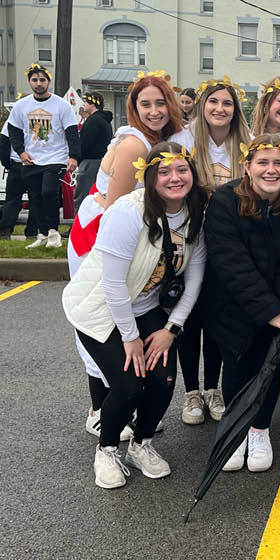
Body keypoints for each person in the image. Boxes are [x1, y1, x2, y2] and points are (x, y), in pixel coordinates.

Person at [61, 141, 207, 488]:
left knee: (164, 378)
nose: (175, 178)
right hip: (100, 310)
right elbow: (112, 285)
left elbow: (195, 277)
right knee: (129, 384)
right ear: (150, 177)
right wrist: (131, 339)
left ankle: (141, 445)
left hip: (144, 308)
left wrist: (172, 328)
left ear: (192, 174)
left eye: (182, 169)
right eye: (164, 171)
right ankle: (108, 449)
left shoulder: (195, 212)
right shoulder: (129, 212)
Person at [68, 71, 183, 438]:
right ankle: (99, 408)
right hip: (99, 235)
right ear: (133, 108)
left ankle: (124, 405)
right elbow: (117, 208)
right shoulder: (135, 144)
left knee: (123, 314)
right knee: (103, 319)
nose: (153, 111)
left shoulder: (161, 140)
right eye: (144, 104)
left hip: (128, 234)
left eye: (160, 103)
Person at [203, 134, 280, 473]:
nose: (271, 170)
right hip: (232, 303)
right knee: (238, 365)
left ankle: (259, 429)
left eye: (279, 163)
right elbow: (231, 263)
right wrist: (270, 311)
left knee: (270, 362)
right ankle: (234, 432)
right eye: (263, 162)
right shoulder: (225, 201)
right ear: (248, 166)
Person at [169, 76, 251, 425]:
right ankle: (191, 393)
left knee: (218, 318)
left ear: (236, 109)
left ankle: (213, 388)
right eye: (213, 102)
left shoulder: (246, 143)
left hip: (227, 243)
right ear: (202, 105)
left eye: (227, 103)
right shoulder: (183, 140)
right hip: (188, 239)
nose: (220, 109)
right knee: (190, 318)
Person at [7, 63, 80, 249]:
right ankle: (42, 233)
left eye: (42, 80)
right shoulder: (21, 106)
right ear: (30, 82)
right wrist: (21, 152)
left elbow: (72, 132)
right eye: (34, 80)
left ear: (48, 81)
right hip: (32, 158)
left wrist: (73, 156)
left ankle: (53, 231)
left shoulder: (61, 105)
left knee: (49, 192)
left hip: (56, 157)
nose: (38, 84)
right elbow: (13, 131)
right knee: (35, 196)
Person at [75, 92, 113, 213]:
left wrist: (77, 158)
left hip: (89, 163)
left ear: (93, 104)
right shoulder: (104, 121)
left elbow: (85, 143)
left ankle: (78, 227)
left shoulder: (93, 121)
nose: (84, 104)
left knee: (82, 195)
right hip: (101, 162)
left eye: (86, 101)